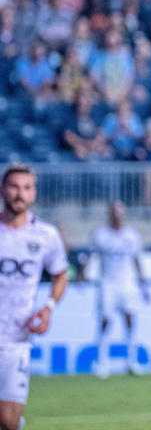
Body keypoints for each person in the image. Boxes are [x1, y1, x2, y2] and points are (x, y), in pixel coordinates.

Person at [0, 167, 68, 430]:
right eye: (15, 187)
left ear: (34, 193)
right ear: (3, 190)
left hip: (16, 339)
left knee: (7, 420)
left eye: (26, 188)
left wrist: (48, 307)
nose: (20, 194)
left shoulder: (46, 235)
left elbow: (60, 275)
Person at [88, 201, 150, 378]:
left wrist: (142, 284)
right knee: (105, 320)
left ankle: (131, 361)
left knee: (130, 319)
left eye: (120, 213)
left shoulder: (131, 236)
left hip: (127, 283)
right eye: (114, 212)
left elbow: (136, 260)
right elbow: (90, 256)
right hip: (107, 283)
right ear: (109, 214)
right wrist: (81, 274)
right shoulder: (100, 235)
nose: (117, 216)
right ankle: (101, 362)